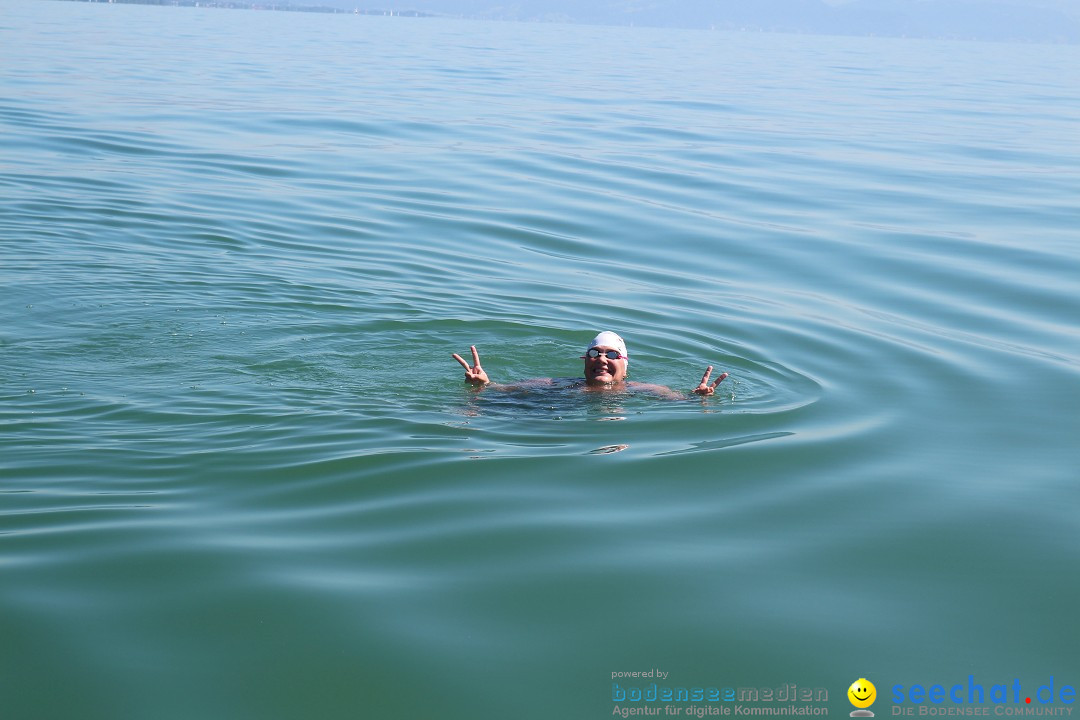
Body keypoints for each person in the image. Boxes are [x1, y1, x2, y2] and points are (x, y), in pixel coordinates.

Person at [451, 331, 728, 399]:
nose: (602, 359)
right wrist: (484, 386)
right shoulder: (553, 385)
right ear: (585, 362)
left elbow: (677, 402)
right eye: (595, 353)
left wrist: (697, 400)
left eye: (612, 355)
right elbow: (504, 391)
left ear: (625, 365)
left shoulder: (643, 390)